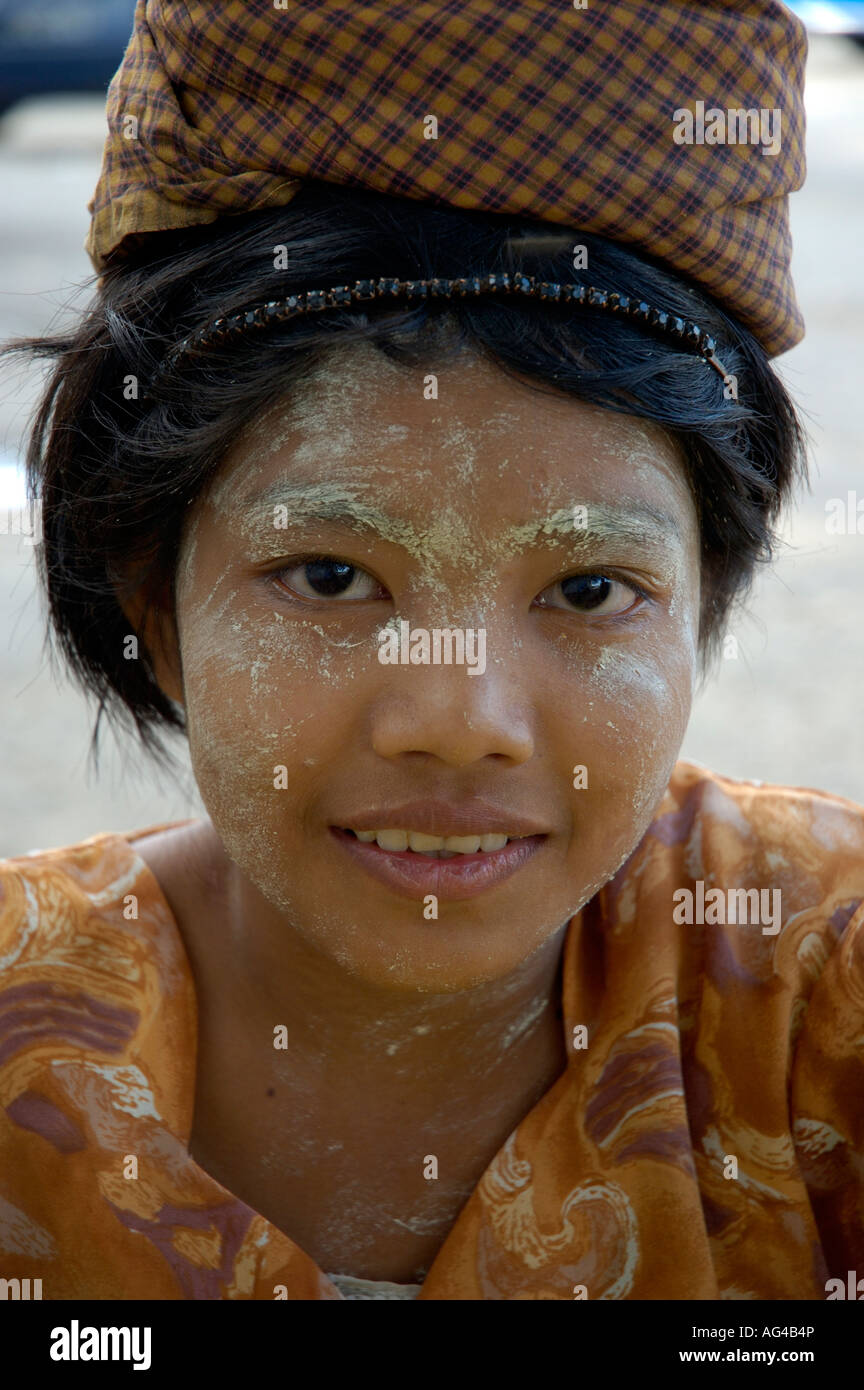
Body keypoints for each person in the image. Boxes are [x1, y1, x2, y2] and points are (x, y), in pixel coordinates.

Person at [1, 0, 862, 1302]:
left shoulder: (822, 983)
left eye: (587, 586)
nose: (462, 719)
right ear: (156, 610)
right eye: (332, 575)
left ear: (704, 597)